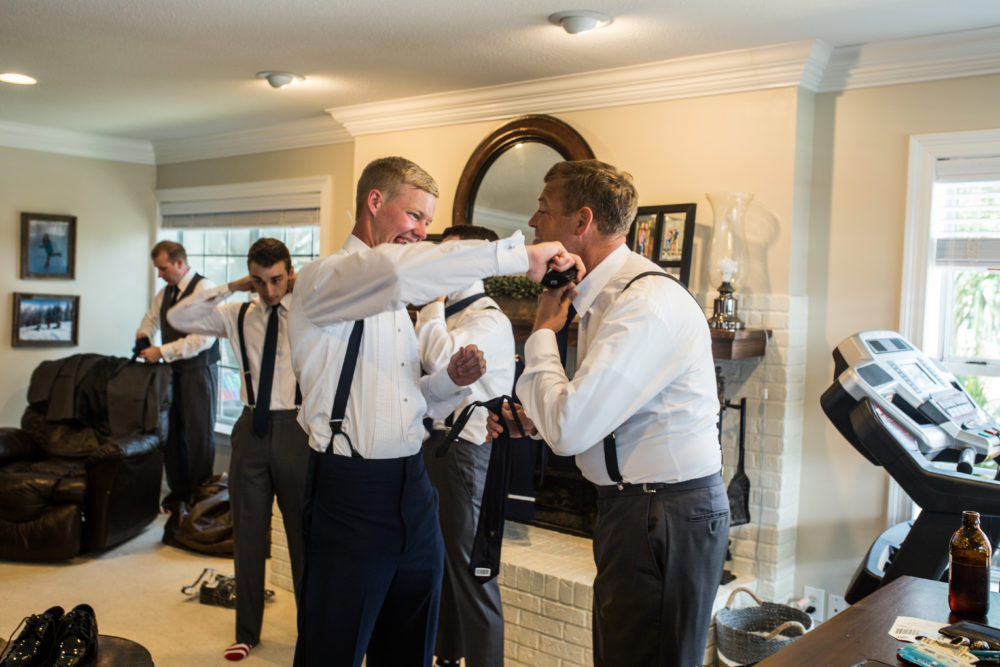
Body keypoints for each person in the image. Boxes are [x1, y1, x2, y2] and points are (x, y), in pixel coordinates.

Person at [287, 156, 581, 667]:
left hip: (414, 491)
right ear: (374, 202)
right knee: (332, 648)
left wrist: (450, 382)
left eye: (428, 221)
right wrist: (517, 255)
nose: (422, 231)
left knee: (411, 647)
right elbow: (394, 271)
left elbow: (410, 400)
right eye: (414, 215)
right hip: (351, 494)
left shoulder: (397, 307)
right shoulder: (324, 280)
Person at [489, 159, 729, 667]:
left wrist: (542, 331)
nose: (532, 222)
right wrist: (538, 418)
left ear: (582, 221)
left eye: (543, 208)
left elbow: (571, 428)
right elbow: (602, 410)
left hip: (663, 514)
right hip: (637, 508)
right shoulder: (606, 299)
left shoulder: (645, 304)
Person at [166, 238, 309, 662]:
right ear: (251, 279)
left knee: (304, 537)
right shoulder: (237, 313)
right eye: (260, 282)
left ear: (290, 273)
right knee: (247, 533)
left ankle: (312, 631)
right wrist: (230, 286)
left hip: (298, 428)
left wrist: (302, 285)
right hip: (250, 430)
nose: (269, 291)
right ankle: (247, 631)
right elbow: (178, 316)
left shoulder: (308, 310)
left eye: (277, 280)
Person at [414, 224, 512, 667]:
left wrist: (431, 301)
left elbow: (438, 360)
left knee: (474, 575)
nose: (441, 265)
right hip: (430, 448)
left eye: (452, 257)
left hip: (465, 455)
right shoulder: (445, 317)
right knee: (441, 566)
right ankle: (447, 657)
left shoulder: (488, 321)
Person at [136, 240, 220, 511]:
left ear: (180, 263)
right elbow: (151, 318)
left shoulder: (204, 289)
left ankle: (199, 500)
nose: (159, 274)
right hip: (172, 372)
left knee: (198, 436)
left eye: (162, 268)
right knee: (172, 434)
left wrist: (161, 351)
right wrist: (143, 336)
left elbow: (203, 339)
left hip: (199, 372)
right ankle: (178, 494)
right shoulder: (166, 293)